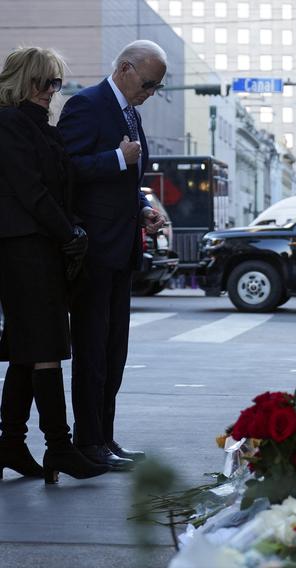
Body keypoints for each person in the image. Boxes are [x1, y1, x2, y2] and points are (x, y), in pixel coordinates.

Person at [0, 47, 110, 483]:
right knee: (45, 347)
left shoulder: (40, 125)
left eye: (56, 83)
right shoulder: (8, 122)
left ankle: (9, 444)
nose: (50, 91)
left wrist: (71, 230)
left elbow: (60, 185)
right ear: (21, 80)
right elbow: (30, 190)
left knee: (30, 350)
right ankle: (59, 448)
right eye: (42, 82)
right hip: (21, 246)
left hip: (43, 245)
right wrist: (70, 233)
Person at [58, 40, 166, 471]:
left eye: (157, 87)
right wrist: (117, 159)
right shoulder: (87, 105)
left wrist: (143, 209)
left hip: (123, 249)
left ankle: (105, 436)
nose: (151, 92)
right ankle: (87, 441)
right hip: (94, 251)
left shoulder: (132, 115)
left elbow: (124, 182)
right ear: (125, 69)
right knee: (92, 350)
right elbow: (67, 167)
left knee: (114, 350)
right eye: (148, 83)